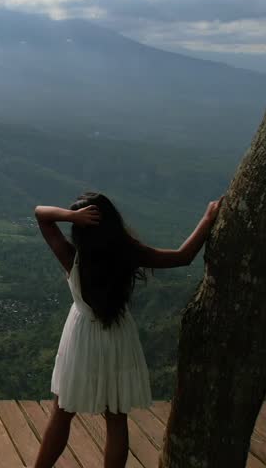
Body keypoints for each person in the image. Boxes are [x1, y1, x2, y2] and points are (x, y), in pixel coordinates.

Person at [32, 191, 220, 468]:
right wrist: (207, 219)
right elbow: (183, 256)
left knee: (62, 411)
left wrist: (70, 215)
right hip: (118, 336)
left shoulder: (72, 257)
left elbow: (41, 214)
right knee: (116, 416)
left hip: (82, 336)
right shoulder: (129, 254)